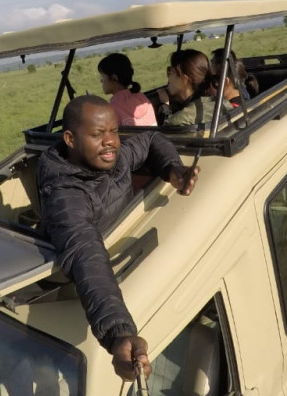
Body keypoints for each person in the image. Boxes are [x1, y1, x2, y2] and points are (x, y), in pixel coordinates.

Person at [37, 95, 199, 381]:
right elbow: (86, 255)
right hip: (63, 285)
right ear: (70, 139)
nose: (111, 141)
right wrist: (119, 333)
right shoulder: (65, 195)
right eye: (98, 134)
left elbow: (150, 140)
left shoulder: (114, 157)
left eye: (114, 131)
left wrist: (172, 169)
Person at [155, 49, 215, 127]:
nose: (168, 77)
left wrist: (165, 107)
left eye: (171, 72)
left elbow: (162, 134)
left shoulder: (179, 120)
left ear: (185, 80)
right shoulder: (221, 103)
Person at [98, 53, 157, 126]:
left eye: (102, 76)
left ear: (114, 78)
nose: (101, 80)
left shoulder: (113, 108)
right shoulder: (142, 98)